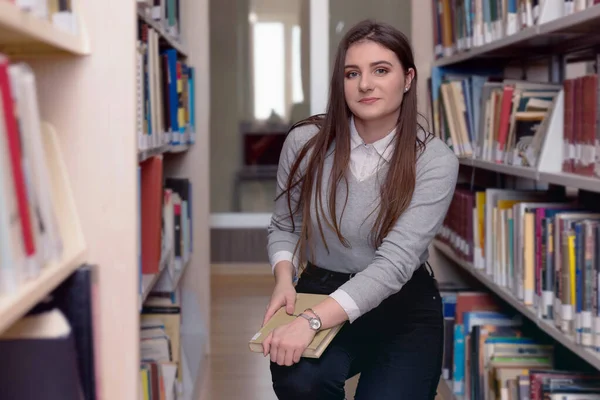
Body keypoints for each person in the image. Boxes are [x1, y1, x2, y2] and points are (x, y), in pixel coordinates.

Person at [262, 19, 459, 400]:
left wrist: (310, 321)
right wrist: (284, 279)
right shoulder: (306, 143)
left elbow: (393, 265)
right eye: (353, 73)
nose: (364, 84)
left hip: (403, 304)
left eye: (380, 70)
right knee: (302, 383)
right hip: (320, 287)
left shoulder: (435, 161)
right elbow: (284, 224)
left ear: (407, 79)